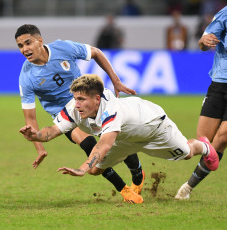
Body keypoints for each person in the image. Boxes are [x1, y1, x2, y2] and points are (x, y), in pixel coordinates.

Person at [20, 74, 220, 203]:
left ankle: (204, 147)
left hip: (154, 128)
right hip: (125, 137)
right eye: (75, 99)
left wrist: (81, 168)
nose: (76, 104)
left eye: (81, 99)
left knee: (186, 153)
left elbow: (105, 144)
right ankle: (137, 173)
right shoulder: (74, 109)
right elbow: (53, 131)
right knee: (96, 170)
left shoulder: (111, 110)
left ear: (97, 99)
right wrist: (35, 136)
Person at [15, 24, 144, 204]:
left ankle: (138, 174)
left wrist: (116, 81)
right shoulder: (26, 77)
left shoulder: (63, 48)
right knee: (90, 146)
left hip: (88, 104)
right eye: (20, 46)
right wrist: (40, 148)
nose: (24, 49)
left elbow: (96, 52)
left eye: (27, 43)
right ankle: (124, 190)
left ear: (40, 41)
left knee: (115, 139)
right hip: (64, 115)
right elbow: (30, 118)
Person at [175, 6, 227, 200]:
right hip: (219, 84)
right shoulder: (225, 14)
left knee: (221, 139)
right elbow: (204, 42)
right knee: (203, 142)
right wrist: (203, 41)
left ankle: (187, 188)